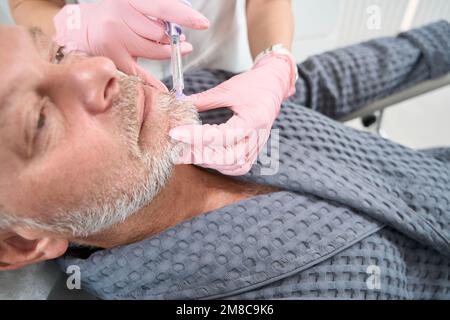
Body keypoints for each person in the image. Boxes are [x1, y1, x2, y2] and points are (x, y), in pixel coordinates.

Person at [0, 20, 449, 299]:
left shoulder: (201, 100)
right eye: (39, 120)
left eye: (58, 53)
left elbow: (325, 83)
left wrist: (277, 63)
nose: (97, 68)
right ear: (23, 244)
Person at [8, 0, 298, 175]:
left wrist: (274, 61)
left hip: (223, 69)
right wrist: (75, 27)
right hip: (110, 75)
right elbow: (26, 3)